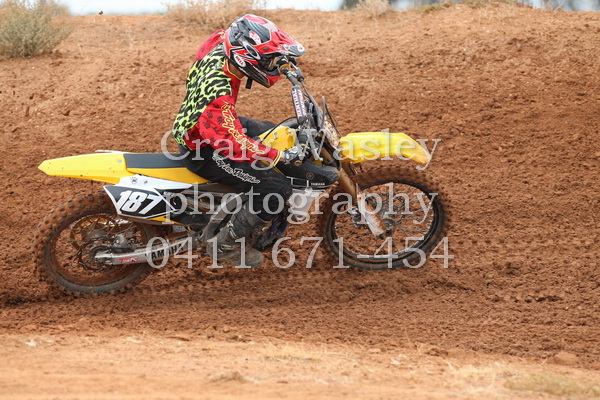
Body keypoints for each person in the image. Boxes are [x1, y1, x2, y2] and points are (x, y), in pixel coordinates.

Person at [171, 14, 305, 267]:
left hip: (205, 125)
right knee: (275, 189)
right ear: (247, 59)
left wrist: (281, 57)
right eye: (266, 60)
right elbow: (231, 143)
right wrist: (278, 156)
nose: (270, 66)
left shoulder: (221, 43)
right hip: (204, 149)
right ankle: (224, 245)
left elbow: (231, 33)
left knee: (274, 131)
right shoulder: (219, 94)